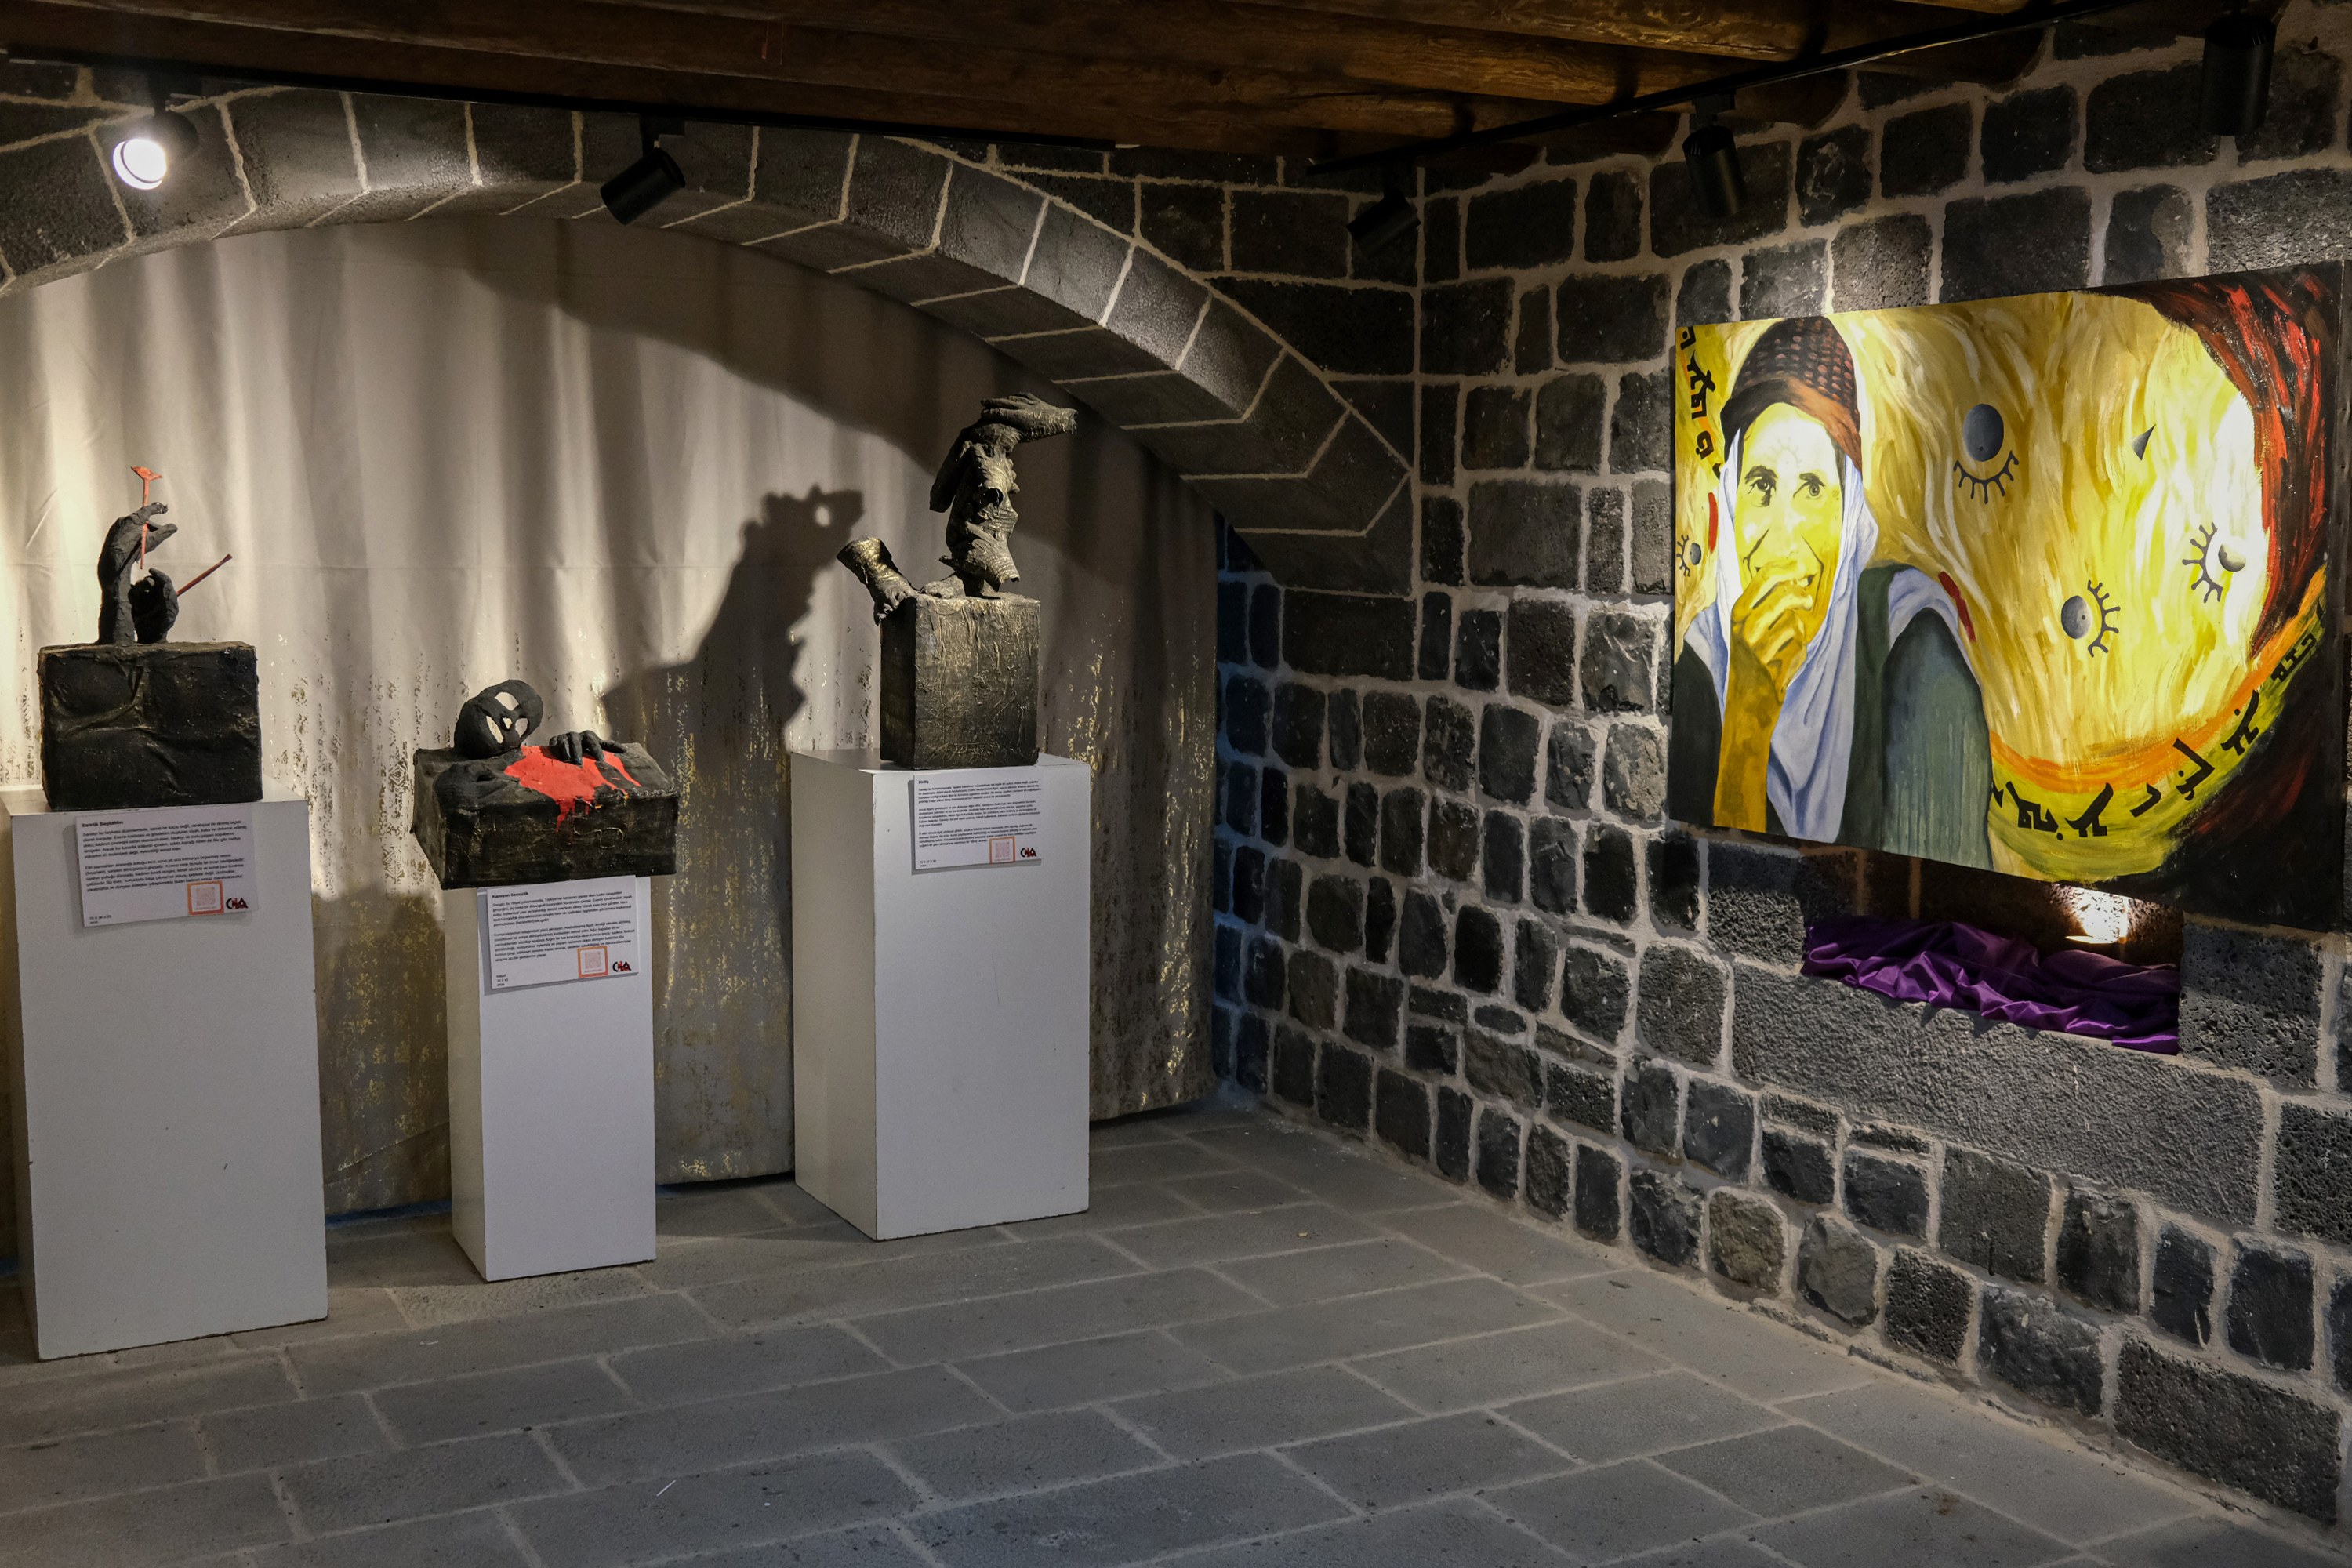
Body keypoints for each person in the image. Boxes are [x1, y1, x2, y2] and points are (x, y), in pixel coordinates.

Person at [1666, 315, 1991, 867]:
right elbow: (1707, 872)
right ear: (1733, 503)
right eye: (1761, 485)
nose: (1784, 536)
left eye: (1813, 488)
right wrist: (1746, 721)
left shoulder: (1915, 650)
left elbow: (1932, 886)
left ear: (1849, 518)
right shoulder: (1704, 664)